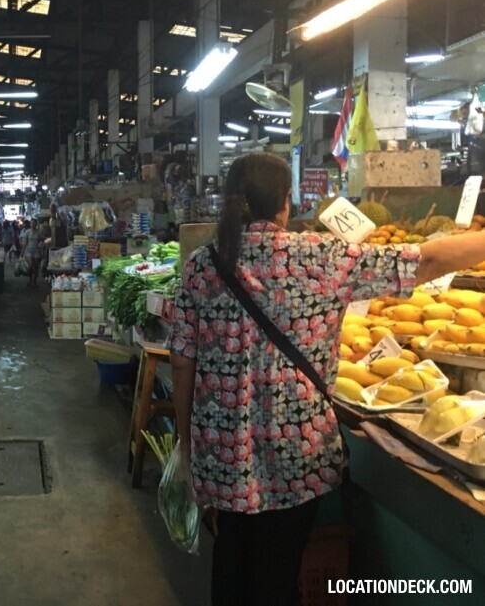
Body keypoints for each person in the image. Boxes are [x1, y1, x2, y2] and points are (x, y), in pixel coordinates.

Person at [168, 152, 485, 606]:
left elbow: (182, 362)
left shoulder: (201, 266)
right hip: (297, 452)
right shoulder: (320, 256)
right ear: (286, 201)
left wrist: (186, 441)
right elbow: (428, 259)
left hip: (222, 451)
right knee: (278, 570)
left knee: (232, 555)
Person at [20, 219, 42, 287]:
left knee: (36, 267)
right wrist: (21, 253)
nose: (33, 225)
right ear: (30, 224)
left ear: (36, 224)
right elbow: (25, 243)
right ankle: (30, 279)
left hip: (36, 251)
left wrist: (41, 249)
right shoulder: (27, 232)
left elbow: (40, 242)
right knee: (30, 265)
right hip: (29, 251)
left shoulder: (38, 232)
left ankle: (35, 281)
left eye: (34, 223)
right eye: (31, 223)